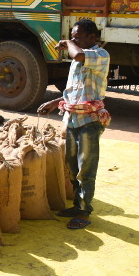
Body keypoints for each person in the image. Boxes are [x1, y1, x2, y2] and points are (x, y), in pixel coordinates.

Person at [37, 19, 110, 230]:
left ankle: (84, 211)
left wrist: (68, 43)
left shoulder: (99, 55)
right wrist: (54, 103)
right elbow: (71, 92)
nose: (73, 40)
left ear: (92, 38)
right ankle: (78, 204)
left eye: (77, 36)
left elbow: (78, 53)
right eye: (73, 36)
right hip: (73, 120)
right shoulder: (78, 61)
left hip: (89, 121)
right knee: (71, 165)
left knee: (86, 167)